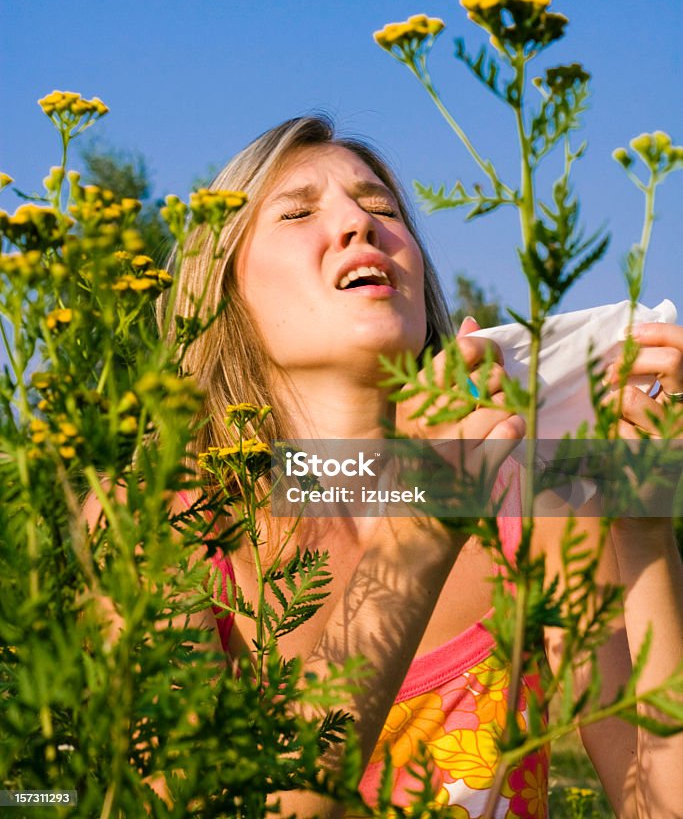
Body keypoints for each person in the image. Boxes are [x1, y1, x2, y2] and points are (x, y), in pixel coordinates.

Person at [165, 115, 683, 818]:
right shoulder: (165, 530)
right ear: (221, 294)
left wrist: (642, 527)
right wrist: (422, 523)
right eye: (298, 212)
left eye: (382, 207)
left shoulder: (536, 511)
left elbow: (658, 806)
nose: (359, 224)